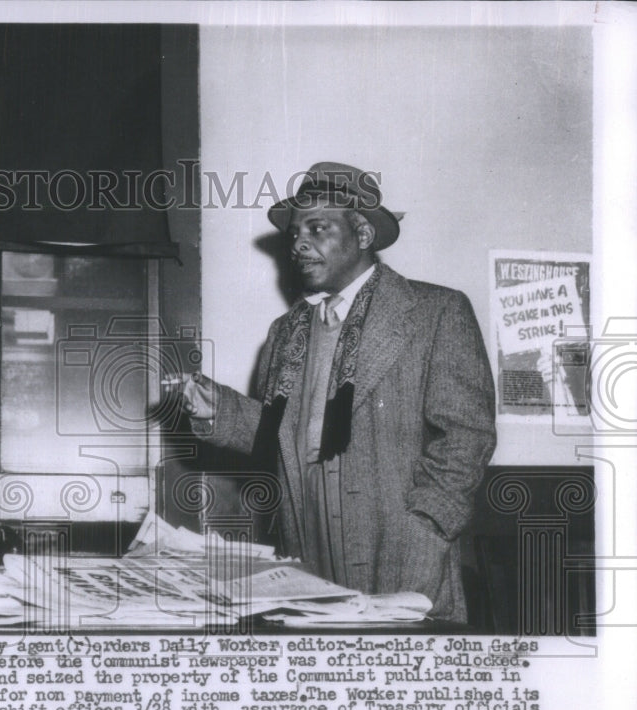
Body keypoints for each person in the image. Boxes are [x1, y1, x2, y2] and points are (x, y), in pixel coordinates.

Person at [167, 162, 496, 622]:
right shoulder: (287, 330)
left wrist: (427, 524)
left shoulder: (436, 311)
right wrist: (218, 408)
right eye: (295, 232)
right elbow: (279, 436)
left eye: (317, 228)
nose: (299, 243)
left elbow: (468, 433)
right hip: (305, 539)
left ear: (362, 233)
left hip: (400, 546)